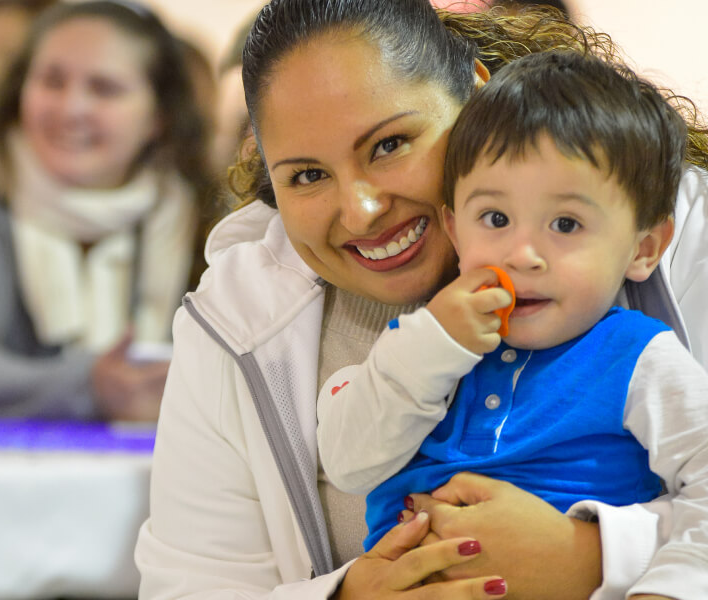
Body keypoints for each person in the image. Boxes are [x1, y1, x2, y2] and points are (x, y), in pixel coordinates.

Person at [134, 1, 708, 599]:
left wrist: (592, 555)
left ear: (476, 101)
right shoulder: (237, 317)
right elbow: (190, 584)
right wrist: (350, 596)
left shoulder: (674, 243)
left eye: (389, 145)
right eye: (307, 175)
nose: (361, 210)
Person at [317, 50, 708, 599]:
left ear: (643, 248)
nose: (523, 253)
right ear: (454, 228)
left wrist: (664, 590)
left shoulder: (639, 357)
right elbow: (347, 465)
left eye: (565, 223)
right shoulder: (421, 346)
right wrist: (432, 345)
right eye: (495, 219)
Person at [0, 1, 210, 421]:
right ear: (19, 93)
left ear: (157, 115)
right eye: (52, 81)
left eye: (104, 88)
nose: (71, 108)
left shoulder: (205, 224)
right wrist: (86, 387)